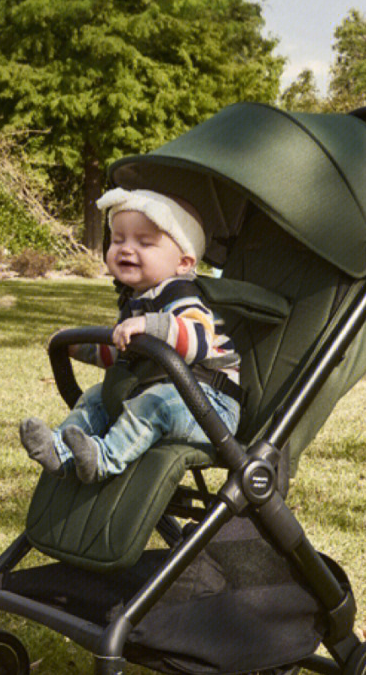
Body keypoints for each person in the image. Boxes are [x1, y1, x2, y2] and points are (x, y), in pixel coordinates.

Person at [19, 188, 241, 483]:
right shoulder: (135, 301)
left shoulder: (183, 297)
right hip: (162, 393)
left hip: (208, 408)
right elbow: (123, 352)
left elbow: (197, 341)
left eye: (144, 242)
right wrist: (77, 347)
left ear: (184, 263)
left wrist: (149, 325)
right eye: (118, 239)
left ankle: (103, 459)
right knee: (97, 396)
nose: (125, 248)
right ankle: (60, 450)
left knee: (154, 403)